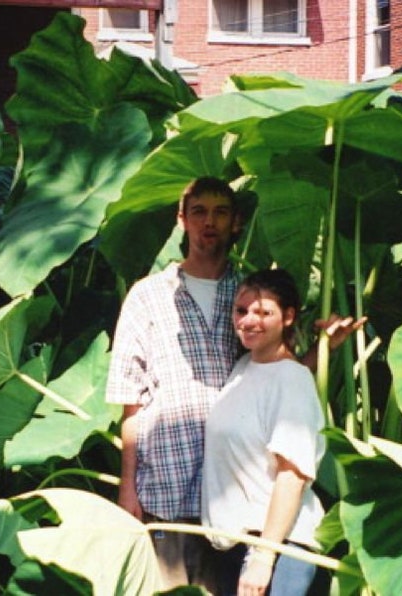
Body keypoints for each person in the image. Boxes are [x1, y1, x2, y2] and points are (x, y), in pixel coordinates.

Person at [106, 176, 363, 591]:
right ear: (182, 220)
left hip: (234, 502)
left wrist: (325, 350)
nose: (209, 222)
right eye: (199, 212)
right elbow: (130, 402)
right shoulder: (148, 295)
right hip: (166, 488)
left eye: (220, 212)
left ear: (236, 223)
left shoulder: (247, 293)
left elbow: (281, 375)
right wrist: (127, 488)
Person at [202, 269, 325, 596]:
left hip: (275, 548)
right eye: (241, 311)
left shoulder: (293, 381)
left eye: (263, 312)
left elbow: (292, 476)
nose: (248, 321)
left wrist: (263, 558)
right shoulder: (246, 367)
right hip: (241, 544)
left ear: (288, 317)